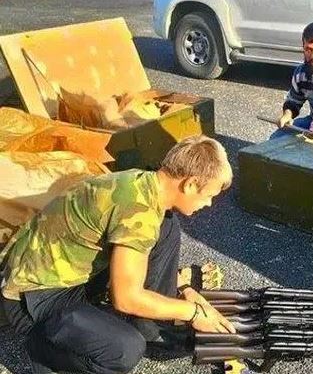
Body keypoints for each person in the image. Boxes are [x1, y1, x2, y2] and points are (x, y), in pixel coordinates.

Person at [0, 135, 236, 374]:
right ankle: (44, 349)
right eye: (210, 196)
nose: (209, 204)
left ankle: (151, 328)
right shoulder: (137, 211)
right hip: (32, 298)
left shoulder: (144, 184)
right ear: (191, 184)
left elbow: (141, 258)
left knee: (167, 227)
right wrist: (192, 313)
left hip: (70, 276)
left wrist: (186, 291)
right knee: (125, 349)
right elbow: (125, 298)